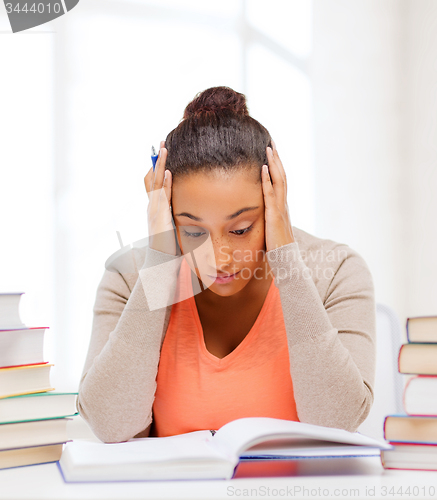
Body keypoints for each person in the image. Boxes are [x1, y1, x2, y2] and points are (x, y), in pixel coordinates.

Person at [77, 86, 376, 443]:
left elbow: (337, 422)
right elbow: (111, 426)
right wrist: (160, 265)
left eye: (240, 229)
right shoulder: (128, 278)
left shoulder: (337, 271)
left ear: (273, 202)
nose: (218, 258)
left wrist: (285, 256)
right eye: (192, 231)